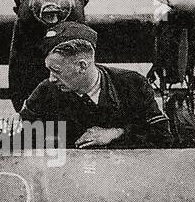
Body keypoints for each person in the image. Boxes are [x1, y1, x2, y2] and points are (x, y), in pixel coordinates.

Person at [17, 22, 173, 148]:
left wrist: (117, 133)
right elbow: (18, 135)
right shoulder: (46, 92)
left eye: (56, 71)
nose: (51, 79)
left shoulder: (132, 84)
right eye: (49, 70)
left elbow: (162, 136)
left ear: (82, 66)